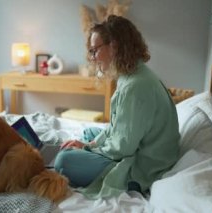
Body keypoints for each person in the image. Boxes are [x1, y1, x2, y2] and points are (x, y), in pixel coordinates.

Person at [54, 15, 180, 199]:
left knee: (63, 161)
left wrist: (87, 149)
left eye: (95, 50)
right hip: (138, 149)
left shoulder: (135, 87)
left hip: (143, 166)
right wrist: (90, 144)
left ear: (114, 46)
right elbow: (116, 128)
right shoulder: (132, 74)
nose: (93, 57)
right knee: (90, 132)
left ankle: (81, 154)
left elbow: (122, 148)